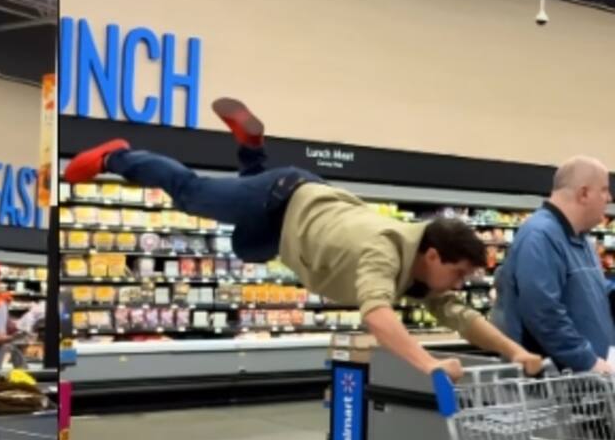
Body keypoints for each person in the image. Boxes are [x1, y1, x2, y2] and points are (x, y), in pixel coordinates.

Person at [64, 97, 543, 381]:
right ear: (434, 254)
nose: (458, 285)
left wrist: (516, 352)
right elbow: (376, 318)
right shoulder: (387, 251)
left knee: (246, 248)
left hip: (290, 219)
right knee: (192, 195)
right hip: (283, 197)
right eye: (458, 273)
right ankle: (117, 157)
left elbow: (462, 319)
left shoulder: (424, 275)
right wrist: (430, 365)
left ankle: (251, 149)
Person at [492, 156, 615, 373]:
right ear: (584, 193)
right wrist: (588, 361)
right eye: (604, 190)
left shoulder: (581, 241)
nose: (609, 198)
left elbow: (597, 294)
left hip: (589, 386)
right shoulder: (540, 237)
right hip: (554, 386)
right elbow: (543, 312)